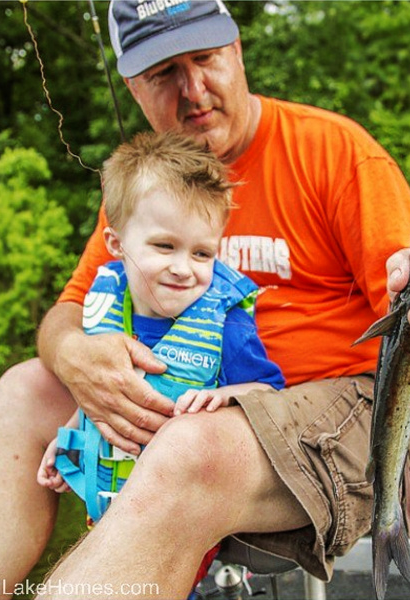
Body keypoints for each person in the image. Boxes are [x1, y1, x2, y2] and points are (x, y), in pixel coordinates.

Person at [0, 1, 410, 598]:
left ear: (236, 50)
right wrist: (73, 354)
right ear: (132, 87)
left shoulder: (335, 151)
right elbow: (68, 310)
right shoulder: (150, 186)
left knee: (188, 449)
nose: (194, 89)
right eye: (163, 73)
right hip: (187, 399)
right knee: (23, 390)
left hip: (360, 407)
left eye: (205, 58)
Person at [36, 131, 285, 513]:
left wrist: (225, 396)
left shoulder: (227, 325)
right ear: (116, 245)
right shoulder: (106, 308)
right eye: (164, 246)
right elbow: (96, 400)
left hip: (183, 516)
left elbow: (269, 392)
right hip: (112, 505)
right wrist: (69, 439)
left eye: (202, 253)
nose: (183, 268)